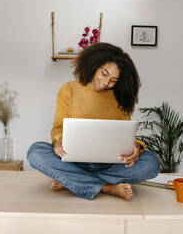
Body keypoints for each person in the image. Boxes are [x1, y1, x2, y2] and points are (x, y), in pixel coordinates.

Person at [27, 42, 159, 200]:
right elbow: (58, 127)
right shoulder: (68, 89)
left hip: (110, 163)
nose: (106, 82)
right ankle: (106, 187)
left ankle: (73, 180)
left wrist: (136, 148)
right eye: (104, 74)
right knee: (35, 152)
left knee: (151, 162)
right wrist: (58, 141)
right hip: (72, 160)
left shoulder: (119, 97)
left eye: (113, 80)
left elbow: (125, 134)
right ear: (94, 64)